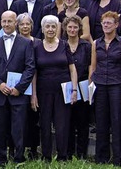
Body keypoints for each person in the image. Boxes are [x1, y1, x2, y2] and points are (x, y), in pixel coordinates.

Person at [0, 11, 35, 165]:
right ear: (1, 23)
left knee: (19, 128)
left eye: (10, 21)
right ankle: (0, 158)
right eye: (4, 21)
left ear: (16, 22)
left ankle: (18, 158)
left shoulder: (26, 43)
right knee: (0, 128)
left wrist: (19, 88)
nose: (7, 24)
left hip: (18, 94)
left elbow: (30, 67)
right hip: (0, 93)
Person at [31, 15, 78, 161]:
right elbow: (34, 73)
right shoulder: (36, 46)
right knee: (44, 123)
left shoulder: (64, 45)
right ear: (43, 29)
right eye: (47, 26)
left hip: (63, 90)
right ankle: (46, 155)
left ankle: (62, 156)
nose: (50, 29)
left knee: (62, 124)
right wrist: (33, 95)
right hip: (43, 91)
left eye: (53, 26)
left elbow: (72, 69)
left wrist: (75, 90)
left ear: (57, 28)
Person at [89, 11, 121, 165]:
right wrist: (90, 87)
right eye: (104, 23)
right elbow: (93, 67)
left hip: (116, 85)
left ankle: (119, 158)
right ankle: (101, 157)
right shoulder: (96, 43)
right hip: (99, 85)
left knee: (117, 121)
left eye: (109, 23)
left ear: (116, 25)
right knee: (101, 122)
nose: (106, 25)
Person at [63, 15, 92, 159]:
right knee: (68, 121)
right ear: (65, 29)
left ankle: (81, 154)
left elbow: (91, 66)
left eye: (75, 27)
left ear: (79, 29)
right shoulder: (61, 45)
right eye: (70, 27)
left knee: (82, 121)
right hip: (66, 88)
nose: (72, 30)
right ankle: (68, 153)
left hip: (83, 85)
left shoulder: (86, 46)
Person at [16, 13, 41, 158]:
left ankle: (33, 149)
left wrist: (34, 93)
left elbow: (35, 68)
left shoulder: (38, 43)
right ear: (17, 26)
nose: (25, 27)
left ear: (32, 26)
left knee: (34, 119)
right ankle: (17, 148)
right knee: (20, 120)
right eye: (22, 24)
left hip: (36, 85)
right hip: (18, 86)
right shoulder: (14, 42)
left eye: (27, 24)